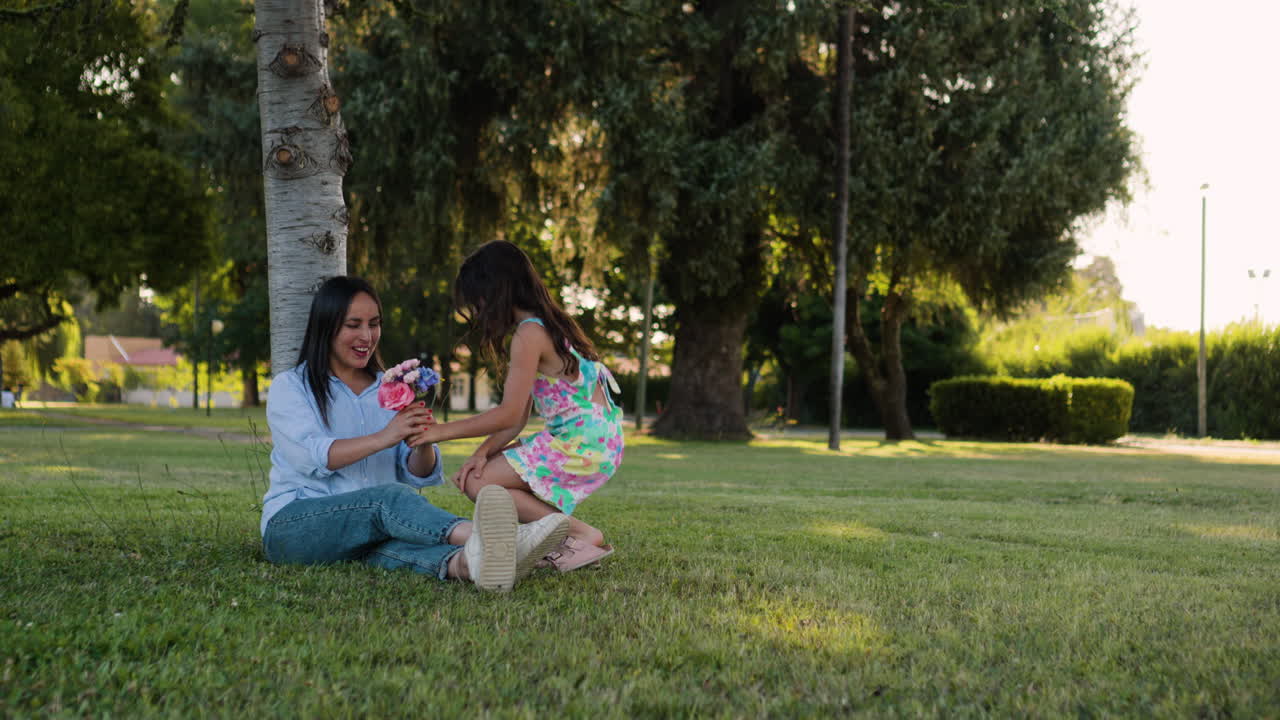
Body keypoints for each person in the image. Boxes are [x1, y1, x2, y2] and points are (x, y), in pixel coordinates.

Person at [261, 276, 569, 592]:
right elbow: (310, 457)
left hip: (366, 534)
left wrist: (423, 440)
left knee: (392, 545)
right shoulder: (292, 387)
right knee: (389, 500)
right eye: (353, 325)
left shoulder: (388, 388)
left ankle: (472, 562)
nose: (366, 336)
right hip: (294, 528)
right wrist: (386, 436)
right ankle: (505, 539)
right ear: (327, 327)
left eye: (374, 323)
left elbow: (414, 472)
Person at [408, 241, 623, 572]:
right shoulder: (549, 325)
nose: (477, 313)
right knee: (481, 471)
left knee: (477, 483)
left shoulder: (529, 334)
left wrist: (438, 432)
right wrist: (482, 451)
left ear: (495, 291)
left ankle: (579, 536)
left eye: (477, 301)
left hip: (580, 443)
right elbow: (517, 418)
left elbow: (507, 413)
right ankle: (561, 537)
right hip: (596, 440)